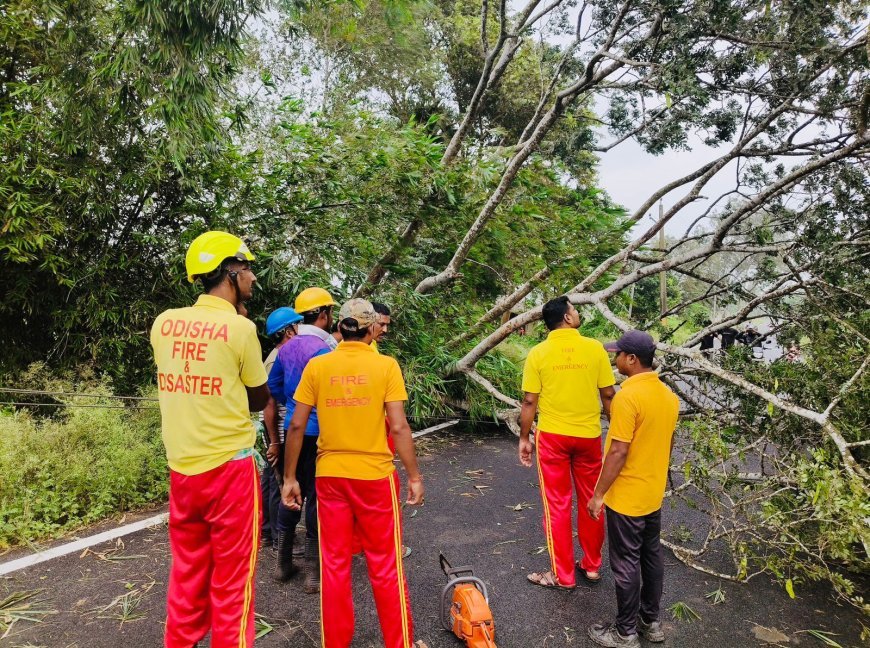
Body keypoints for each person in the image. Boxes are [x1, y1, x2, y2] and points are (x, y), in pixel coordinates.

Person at [282, 298, 427, 648]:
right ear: (371, 328)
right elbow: (399, 427)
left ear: (341, 326)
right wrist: (414, 476)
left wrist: (290, 478)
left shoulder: (319, 366)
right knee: (385, 566)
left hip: (329, 477)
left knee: (334, 569)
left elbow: (297, 425)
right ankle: (400, 643)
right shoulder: (385, 366)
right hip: (374, 478)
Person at [150, 231, 270, 648]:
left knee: (187, 577)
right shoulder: (241, 328)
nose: (253, 277)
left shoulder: (163, 323)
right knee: (232, 586)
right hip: (230, 473)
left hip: (182, 473)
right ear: (231, 272)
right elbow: (259, 397)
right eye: (248, 268)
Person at [586, 330, 680, 648]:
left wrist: (599, 494)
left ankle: (625, 633)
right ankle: (649, 623)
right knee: (651, 557)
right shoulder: (668, 396)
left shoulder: (628, 396)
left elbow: (617, 451)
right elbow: (669, 444)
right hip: (652, 494)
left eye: (617, 355)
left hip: (627, 497)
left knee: (625, 562)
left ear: (631, 359)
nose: (614, 360)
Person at [519, 296, 616, 589]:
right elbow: (608, 395)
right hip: (588, 436)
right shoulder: (594, 349)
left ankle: (563, 575)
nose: (577, 313)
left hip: (553, 438)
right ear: (567, 318)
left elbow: (529, 401)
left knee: (557, 505)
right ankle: (592, 566)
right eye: (574, 310)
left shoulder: (538, 353)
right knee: (592, 499)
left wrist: (524, 437)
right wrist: (616, 432)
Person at [267, 287, 337, 591]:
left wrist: (294, 404)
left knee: (290, 491)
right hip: (321, 432)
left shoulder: (285, 350)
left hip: (292, 431)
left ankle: (283, 564)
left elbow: (274, 387)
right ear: (323, 315)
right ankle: (312, 573)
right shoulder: (326, 350)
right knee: (316, 497)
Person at [260, 307, 303, 549]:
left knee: (269, 479)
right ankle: (280, 540)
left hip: (275, 429)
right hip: (276, 429)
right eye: (297, 326)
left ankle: (268, 532)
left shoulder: (278, 355)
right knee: (280, 482)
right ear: (288, 331)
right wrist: (276, 442)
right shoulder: (278, 358)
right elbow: (269, 406)